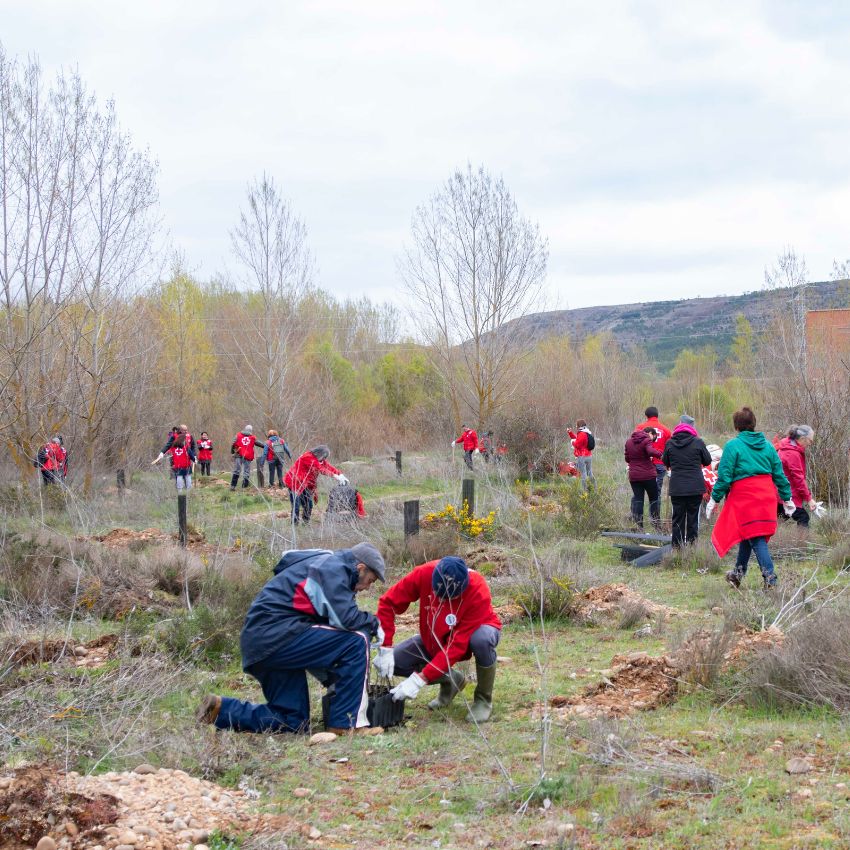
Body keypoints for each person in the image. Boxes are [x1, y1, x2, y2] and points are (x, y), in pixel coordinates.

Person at [196, 543, 387, 736]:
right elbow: (345, 618)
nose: (366, 588)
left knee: (293, 720)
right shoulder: (334, 568)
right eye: (370, 581)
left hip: (262, 645)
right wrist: (375, 625)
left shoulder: (321, 565)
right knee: (356, 640)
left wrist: (337, 681)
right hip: (277, 637)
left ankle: (222, 709)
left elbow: (326, 631)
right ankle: (345, 724)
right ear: (360, 568)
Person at [374, 557, 502, 723]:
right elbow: (388, 602)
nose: (441, 601)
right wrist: (385, 647)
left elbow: (456, 646)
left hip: (475, 630)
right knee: (396, 661)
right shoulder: (423, 573)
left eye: (449, 598)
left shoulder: (477, 589)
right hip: (435, 635)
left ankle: (483, 700)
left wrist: (420, 679)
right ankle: (451, 679)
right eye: (438, 594)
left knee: (481, 640)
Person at [707, 407, 794, 589]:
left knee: (756, 537)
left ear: (737, 426)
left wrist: (714, 498)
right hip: (766, 496)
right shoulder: (769, 446)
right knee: (748, 533)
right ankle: (737, 575)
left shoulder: (733, 446)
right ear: (753, 423)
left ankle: (771, 579)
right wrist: (787, 497)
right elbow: (779, 475)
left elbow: (725, 477)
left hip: (745, 498)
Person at [662, 416, 712, 547]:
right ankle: (691, 549)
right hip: (695, 487)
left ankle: (677, 550)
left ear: (679, 426)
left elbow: (665, 461)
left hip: (677, 487)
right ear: (692, 427)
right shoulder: (698, 442)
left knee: (677, 519)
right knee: (693, 519)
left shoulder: (670, 443)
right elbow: (707, 460)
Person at [284, 445, 348, 524]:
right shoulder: (307, 457)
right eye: (324, 457)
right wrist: (335, 476)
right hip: (294, 482)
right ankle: (295, 524)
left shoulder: (319, 460)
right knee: (296, 505)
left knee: (309, 505)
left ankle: (306, 522)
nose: (324, 459)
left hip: (305, 484)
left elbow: (328, 467)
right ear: (319, 453)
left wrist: (340, 475)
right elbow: (320, 469)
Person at [776, 425, 817, 528]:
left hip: (780, 493)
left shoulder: (787, 446)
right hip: (786, 494)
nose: (810, 444)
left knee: (778, 519)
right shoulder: (792, 453)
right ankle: (802, 542)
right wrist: (809, 499)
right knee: (803, 518)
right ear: (802, 439)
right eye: (810, 441)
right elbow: (799, 479)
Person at [625, 426, 663, 529]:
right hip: (648, 475)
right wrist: (660, 454)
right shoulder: (647, 440)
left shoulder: (628, 442)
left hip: (634, 476)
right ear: (649, 433)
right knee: (654, 499)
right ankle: (656, 525)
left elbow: (627, 458)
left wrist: (635, 461)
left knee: (638, 500)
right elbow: (650, 451)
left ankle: (639, 527)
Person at [636, 406, 672, 500]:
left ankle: (636, 514)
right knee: (656, 493)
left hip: (642, 464)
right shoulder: (666, 430)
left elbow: (634, 445)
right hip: (660, 464)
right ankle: (655, 515)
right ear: (657, 415)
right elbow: (670, 449)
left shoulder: (640, 428)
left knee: (638, 492)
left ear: (646, 416)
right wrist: (669, 466)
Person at [230, 425, 260, 491]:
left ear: (244, 429)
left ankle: (233, 486)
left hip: (238, 454)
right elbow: (259, 443)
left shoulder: (238, 435)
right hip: (248, 456)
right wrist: (266, 446)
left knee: (237, 470)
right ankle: (244, 488)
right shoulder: (252, 437)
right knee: (246, 471)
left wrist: (232, 452)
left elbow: (233, 443)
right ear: (251, 430)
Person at [568, 419, 595, 489]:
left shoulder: (581, 434)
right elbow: (577, 439)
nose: (576, 426)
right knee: (590, 473)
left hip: (582, 457)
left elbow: (577, 444)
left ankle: (585, 491)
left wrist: (572, 442)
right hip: (588, 456)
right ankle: (594, 488)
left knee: (583, 474)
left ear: (579, 425)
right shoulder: (587, 432)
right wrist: (570, 433)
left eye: (576, 425)